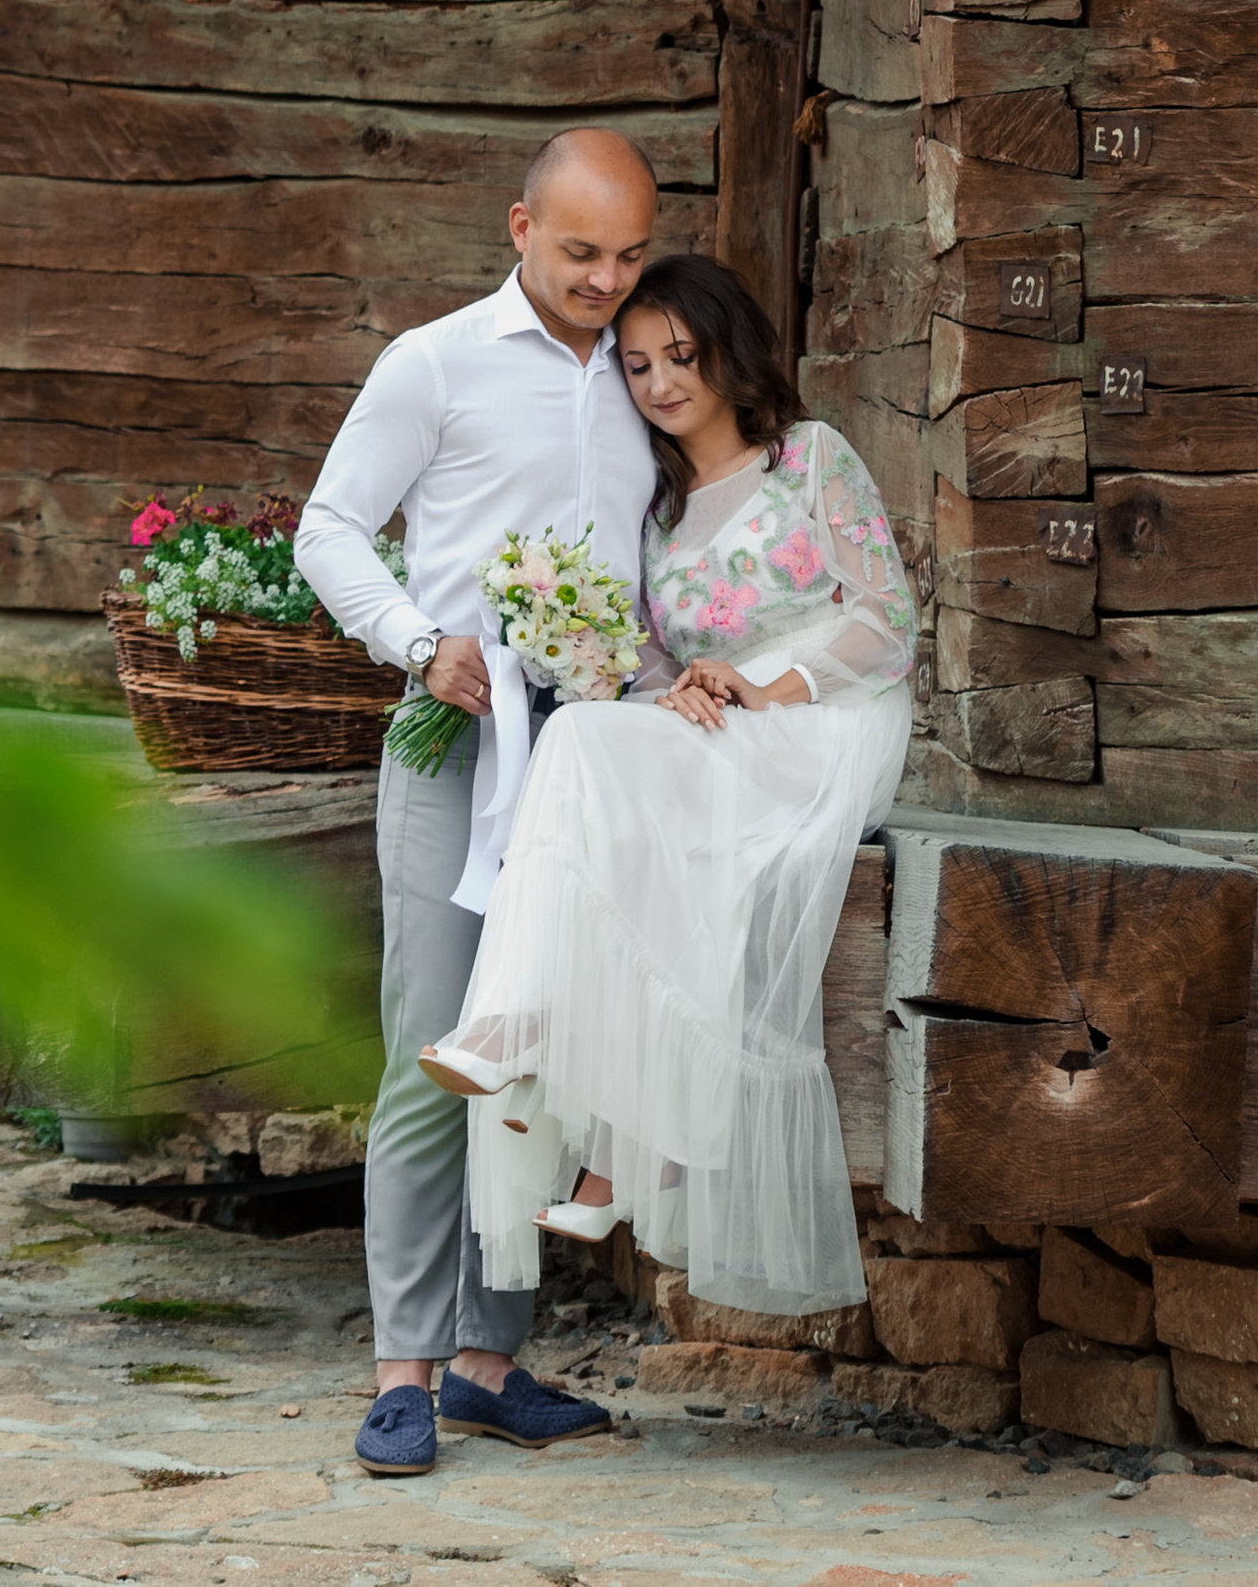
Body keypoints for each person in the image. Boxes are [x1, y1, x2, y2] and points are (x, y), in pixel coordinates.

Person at [419, 251, 916, 1320]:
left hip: (827, 719)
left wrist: (764, 686)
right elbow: (656, 661)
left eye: (680, 355)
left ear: (726, 350)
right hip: (724, 732)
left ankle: (529, 1040)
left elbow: (887, 623)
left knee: (591, 756)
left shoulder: (809, 460)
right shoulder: (659, 512)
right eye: (637, 364)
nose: (659, 382)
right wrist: (680, 692)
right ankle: (617, 1157)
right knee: (598, 755)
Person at [293, 126, 661, 1480]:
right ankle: (401, 1368)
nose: (603, 280)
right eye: (579, 252)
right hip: (454, 745)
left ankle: (487, 1364)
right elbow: (326, 526)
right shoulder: (433, 361)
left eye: (627, 256)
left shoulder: (646, 370)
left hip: (590, 762)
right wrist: (415, 639)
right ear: (519, 225)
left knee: (545, 1054)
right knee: (431, 1047)